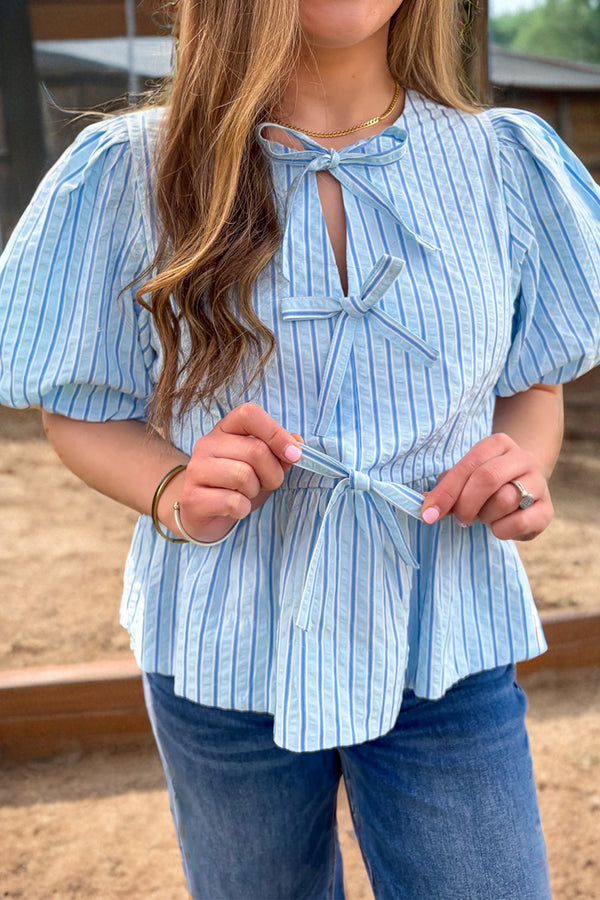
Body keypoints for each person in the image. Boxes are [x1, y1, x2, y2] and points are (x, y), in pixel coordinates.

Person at [1, 0, 599, 896]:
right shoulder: (131, 169)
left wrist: (519, 462)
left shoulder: (503, 163)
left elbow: (531, 384)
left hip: (444, 632)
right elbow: (77, 404)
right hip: (224, 643)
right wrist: (172, 487)